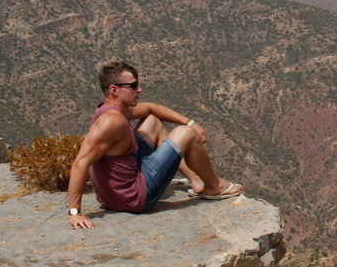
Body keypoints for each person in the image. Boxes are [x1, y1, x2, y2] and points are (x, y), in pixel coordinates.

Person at [67, 60, 242, 229]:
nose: (139, 90)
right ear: (114, 90)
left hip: (112, 196)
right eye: (133, 85)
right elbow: (80, 163)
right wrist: (75, 212)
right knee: (187, 134)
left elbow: (151, 108)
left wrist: (189, 121)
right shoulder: (112, 121)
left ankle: (195, 179)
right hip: (136, 198)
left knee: (153, 121)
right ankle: (213, 186)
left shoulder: (113, 110)